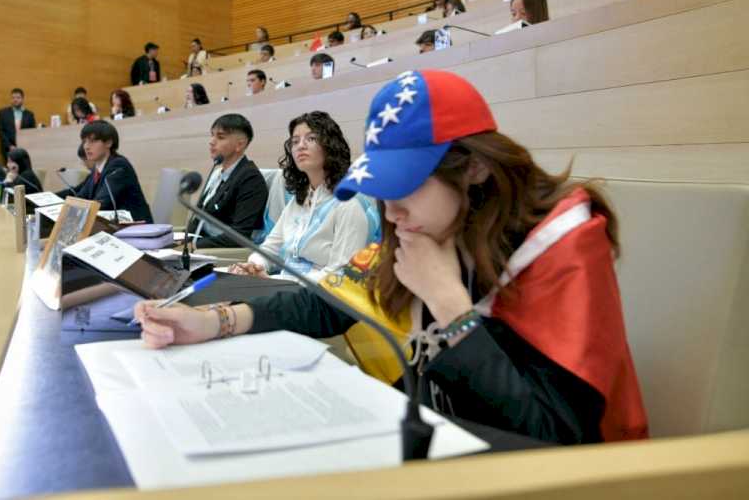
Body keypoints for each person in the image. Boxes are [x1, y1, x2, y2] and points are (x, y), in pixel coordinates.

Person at [136, 70, 650, 445]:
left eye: (405, 188)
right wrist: (213, 322)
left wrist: (449, 305)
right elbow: (327, 303)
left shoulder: (564, 241)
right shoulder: (423, 221)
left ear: (472, 169)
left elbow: (555, 436)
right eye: (382, 191)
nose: (391, 212)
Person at [229, 111, 377, 282]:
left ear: (331, 146)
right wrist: (254, 265)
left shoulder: (349, 202)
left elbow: (339, 276)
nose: (301, 146)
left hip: (319, 299)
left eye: (311, 139)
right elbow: (270, 249)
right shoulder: (299, 199)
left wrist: (277, 283)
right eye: (295, 141)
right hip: (284, 289)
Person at [188, 114, 269, 248]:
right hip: (202, 246)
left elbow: (239, 236)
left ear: (240, 144)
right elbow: (199, 217)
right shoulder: (217, 174)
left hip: (221, 254)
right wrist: (185, 241)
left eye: (220, 137)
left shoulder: (250, 179)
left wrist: (196, 246)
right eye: (212, 135)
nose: (212, 141)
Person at [75, 120, 153, 223]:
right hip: (114, 229)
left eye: (92, 141)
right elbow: (79, 194)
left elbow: (101, 203)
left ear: (108, 143)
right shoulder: (97, 169)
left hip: (136, 231)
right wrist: (49, 200)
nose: (86, 146)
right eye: (84, 141)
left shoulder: (119, 166)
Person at [0, 88, 36, 160]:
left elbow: (32, 132)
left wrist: (25, 145)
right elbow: (1, 131)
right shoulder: (3, 113)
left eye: (18, 97)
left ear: (23, 99)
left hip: (25, 148)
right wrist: (9, 146)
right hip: (8, 149)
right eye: (13, 97)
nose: (15, 100)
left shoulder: (29, 114)